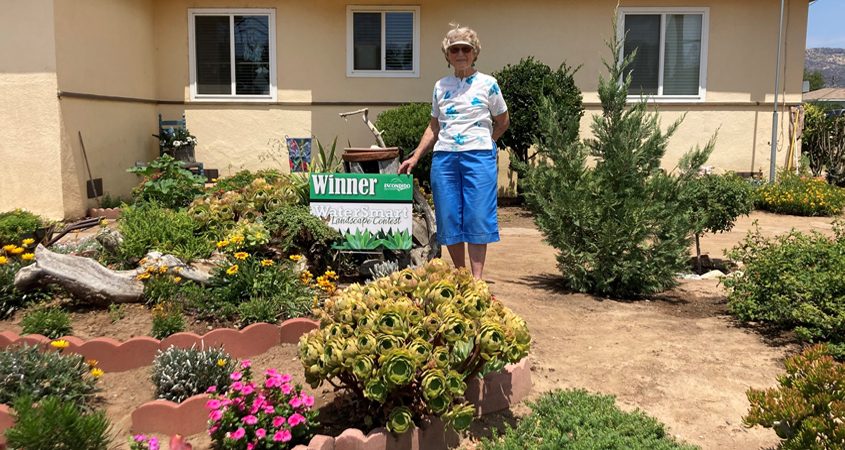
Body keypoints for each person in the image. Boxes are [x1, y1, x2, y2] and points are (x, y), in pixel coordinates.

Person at [399, 24, 509, 280]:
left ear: (475, 52)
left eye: (465, 49)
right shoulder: (440, 86)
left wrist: (488, 141)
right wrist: (415, 156)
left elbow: (503, 120)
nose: (460, 53)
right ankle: (462, 277)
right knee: (449, 217)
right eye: (454, 49)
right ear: (447, 55)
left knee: (478, 217)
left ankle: (477, 280)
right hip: (445, 158)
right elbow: (434, 126)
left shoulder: (488, 84)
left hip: (478, 157)